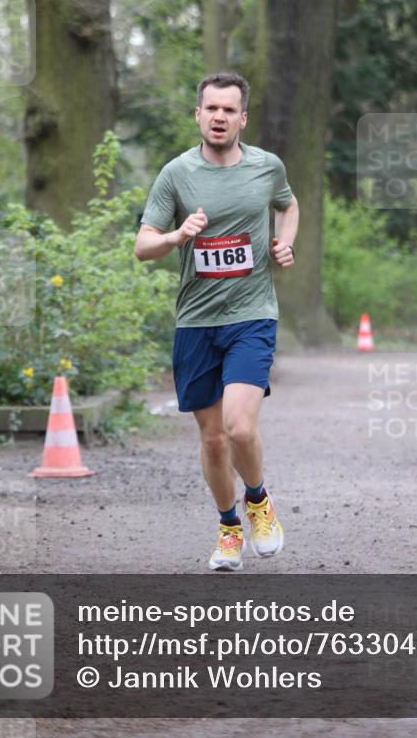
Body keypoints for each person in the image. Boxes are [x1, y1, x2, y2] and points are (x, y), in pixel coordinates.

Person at [134, 71, 299, 571]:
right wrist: (177, 235)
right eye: (211, 109)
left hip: (252, 315)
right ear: (198, 115)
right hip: (196, 322)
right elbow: (143, 246)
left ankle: (259, 501)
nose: (220, 117)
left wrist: (284, 242)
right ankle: (229, 527)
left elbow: (288, 206)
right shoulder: (176, 174)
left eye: (229, 109)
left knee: (240, 429)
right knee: (211, 439)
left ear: (243, 118)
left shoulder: (266, 167)